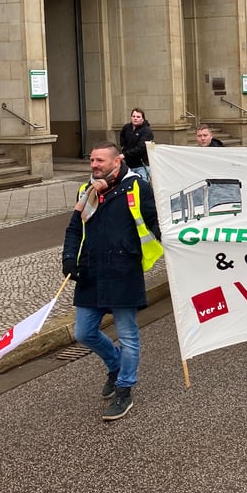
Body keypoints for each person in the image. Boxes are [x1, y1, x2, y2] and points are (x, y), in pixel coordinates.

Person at [62, 141, 163, 422]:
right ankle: (115, 365)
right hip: (91, 272)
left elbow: (156, 221)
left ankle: (124, 389)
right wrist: (69, 258)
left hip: (123, 271)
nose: (94, 165)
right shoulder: (87, 191)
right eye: (92, 160)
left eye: (100, 161)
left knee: (128, 336)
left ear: (116, 161)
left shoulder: (136, 187)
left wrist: (173, 242)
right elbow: (73, 228)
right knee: (84, 332)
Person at [119, 108, 153, 181]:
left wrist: (125, 154)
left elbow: (141, 148)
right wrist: (123, 148)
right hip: (128, 164)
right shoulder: (126, 128)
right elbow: (122, 138)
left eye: (138, 117)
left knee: (142, 184)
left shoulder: (147, 131)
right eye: (133, 116)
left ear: (143, 119)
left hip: (141, 164)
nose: (135, 119)